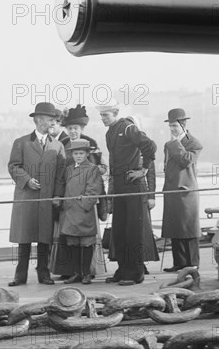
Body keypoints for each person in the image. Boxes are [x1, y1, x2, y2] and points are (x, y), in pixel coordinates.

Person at [97, 99, 157, 285]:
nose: (102, 119)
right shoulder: (110, 133)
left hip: (133, 185)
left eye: (105, 115)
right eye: (101, 115)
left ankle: (136, 272)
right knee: (120, 230)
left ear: (115, 113)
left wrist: (143, 170)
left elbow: (150, 146)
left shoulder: (128, 128)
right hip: (119, 186)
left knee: (133, 230)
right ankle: (123, 269)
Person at [7, 102, 66, 286]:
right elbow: (13, 166)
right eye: (49, 119)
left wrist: (57, 196)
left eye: (53, 120)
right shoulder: (21, 142)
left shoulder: (57, 146)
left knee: (44, 238)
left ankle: (44, 273)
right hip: (26, 197)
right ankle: (20, 275)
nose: (51, 123)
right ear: (38, 120)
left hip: (46, 198)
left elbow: (60, 176)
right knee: (24, 238)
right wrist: (27, 180)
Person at [50, 104, 108, 279]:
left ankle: (88, 271)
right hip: (69, 199)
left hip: (86, 199)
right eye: (69, 129)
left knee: (87, 237)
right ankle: (69, 270)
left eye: (75, 128)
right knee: (70, 237)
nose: (73, 131)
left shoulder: (91, 143)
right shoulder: (62, 144)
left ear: (81, 128)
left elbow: (101, 168)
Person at [161, 109, 204, 272]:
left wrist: (174, 144)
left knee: (189, 227)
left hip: (186, 191)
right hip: (171, 190)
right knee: (175, 227)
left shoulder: (194, 143)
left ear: (183, 125)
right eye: (170, 125)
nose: (172, 129)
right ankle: (179, 263)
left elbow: (186, 160)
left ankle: (192, 263)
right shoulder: (168, 144)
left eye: (175, 126)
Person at [57, 139, 104, 284]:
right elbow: (64, 187)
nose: (78, 156)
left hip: (83, 212)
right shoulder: (69, 169)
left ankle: (86, 273)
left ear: (87, 154)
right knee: (73, 243)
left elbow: (93, 191)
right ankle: (77, 272)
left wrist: (84, 205)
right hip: (70, 211)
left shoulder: (92, 169)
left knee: (86, 243)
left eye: (81, 153)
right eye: (75, 153)